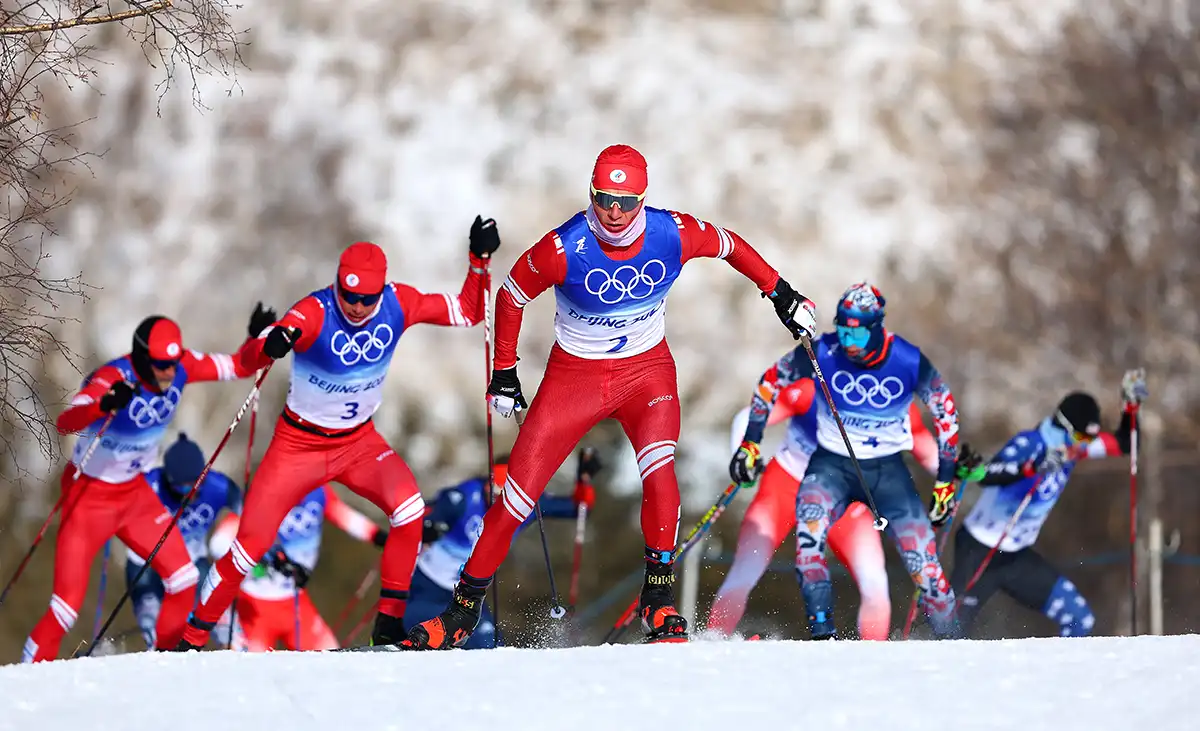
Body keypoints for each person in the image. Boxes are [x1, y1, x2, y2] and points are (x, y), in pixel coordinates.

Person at [403, 144, 818, 650]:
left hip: (646, 373)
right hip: (574, 378)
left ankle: (658, 598)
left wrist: (781, 293)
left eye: (626, 201)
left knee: (660, 472)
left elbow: (730, 245)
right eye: (604, 200)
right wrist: (506, 373)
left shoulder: (672, 232)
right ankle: (460, 613)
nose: (615, 213)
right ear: (591, 195)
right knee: (514, 500)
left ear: (643, 199)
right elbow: (511, 295)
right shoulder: (565, 247)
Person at [177, 218, 500, 651]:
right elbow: (260, 352)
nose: (356, 307)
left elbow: (468, 311)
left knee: (409, 512)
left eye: (366, 299)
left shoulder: (397, 303)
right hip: (298, 446)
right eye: (347, 296)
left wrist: (478, 261)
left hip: (357, 443)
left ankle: (387, 625)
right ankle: (191, 640)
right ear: (336, 287)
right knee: (247, 549)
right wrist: (267, 343)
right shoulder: (314, 311)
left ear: (380, 292)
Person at [23, 306, 273, 662]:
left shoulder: (180, 366)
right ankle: (23, 679)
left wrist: (259, 342)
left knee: (184, 578)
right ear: (142, 358)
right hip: (89, 497)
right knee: (65, 609)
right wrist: (105, 404)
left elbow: (238, 366)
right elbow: (66, 422)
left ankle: (165, 665)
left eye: (173, 364)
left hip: (134, 494)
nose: (169, 373)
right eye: (160, 365)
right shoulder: (112, 377)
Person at [731, 282, 963, 640]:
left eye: (858, 329)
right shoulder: (823, 349)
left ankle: (956, 643)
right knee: (808, 546)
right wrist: (750, 444)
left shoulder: (907, 359)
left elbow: (946, 416)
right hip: (830, 467)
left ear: (877, 326)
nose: (848, 338)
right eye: (842, 325)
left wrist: (946, 481)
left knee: (925, 569)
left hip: (886, 473)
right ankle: (824, 638)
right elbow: (768, 383)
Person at [707, 379, 939, 640]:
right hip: (785, 488)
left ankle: (874, 656)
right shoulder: (814, 387)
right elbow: (748, 417)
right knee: (745, 569)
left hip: (844, 503)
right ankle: (714, 640)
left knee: (875, 585)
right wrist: (742, 455)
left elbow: (929, 453)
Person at [950, 372, 1146, 637]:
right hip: (979, 551)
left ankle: (1060, 676)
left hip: (1016, 557)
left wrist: (1130, 409)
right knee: (950, 633)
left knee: (1079, 619)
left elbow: (1126, 445)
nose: (1085, 446)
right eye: (1081, 438)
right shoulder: (1030, 444)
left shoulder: (1074, 448)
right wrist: (1034, 467)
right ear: (1064, 428)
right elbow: (988, 474)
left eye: (1088, 440)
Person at [406, 450, 600, 649]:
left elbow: (579, 508)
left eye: (504, 494)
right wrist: (429, 528)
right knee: (420, 639)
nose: (497, 499)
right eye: (494, 489)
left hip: (467, 595)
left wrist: (584, 480)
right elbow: (419, 517)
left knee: (489, 645)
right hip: (428, 585)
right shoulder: (462, 497)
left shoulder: (524, 504)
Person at [208, 485, 386, 651]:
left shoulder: (318, 491)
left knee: (331, 657)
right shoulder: (267, 491)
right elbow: (219, 542)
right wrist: (260, 555)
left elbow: (343, 515)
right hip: (255, 606)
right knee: (250, 671)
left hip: (296, 604)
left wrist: (380, 537)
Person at [125, 434, 242, 648]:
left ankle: (238, 651)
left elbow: (249, 512)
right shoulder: (151, 485)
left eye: (195, 485)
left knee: (219, 611)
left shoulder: (218, 486)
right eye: (182, 488)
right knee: (153, 623)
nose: (190, 493)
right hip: (147, 566)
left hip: (193, 562)